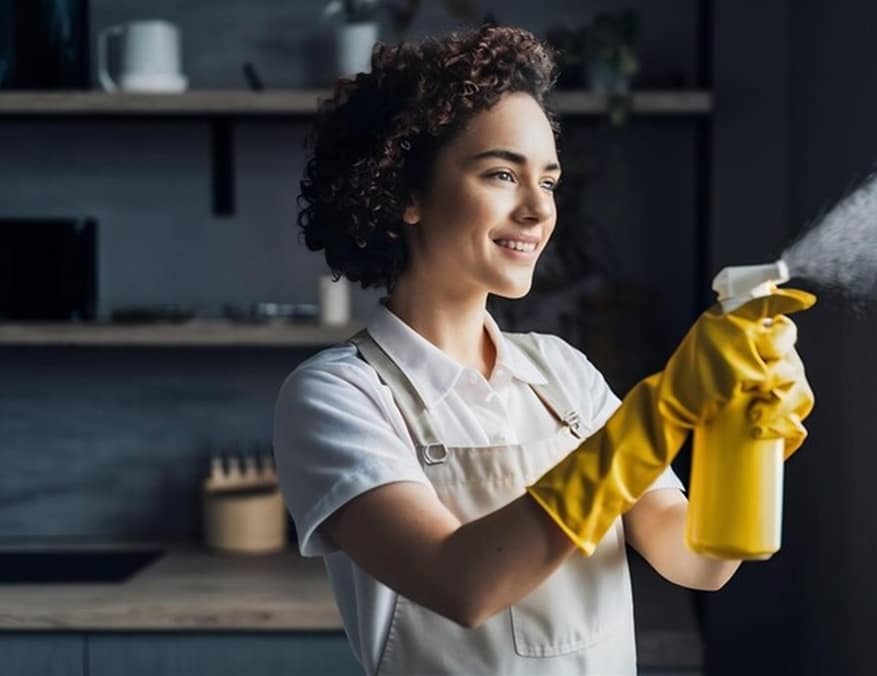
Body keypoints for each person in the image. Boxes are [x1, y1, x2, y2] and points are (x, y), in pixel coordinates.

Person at [273, 24, 815, 676]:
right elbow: (460, 583)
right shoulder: (340, 397)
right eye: (502, 173)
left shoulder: (561, 372)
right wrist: (663, 412)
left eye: (549, 181)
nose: (537, 210)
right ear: (406, 194)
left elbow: (695, 559)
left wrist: (744, 435)